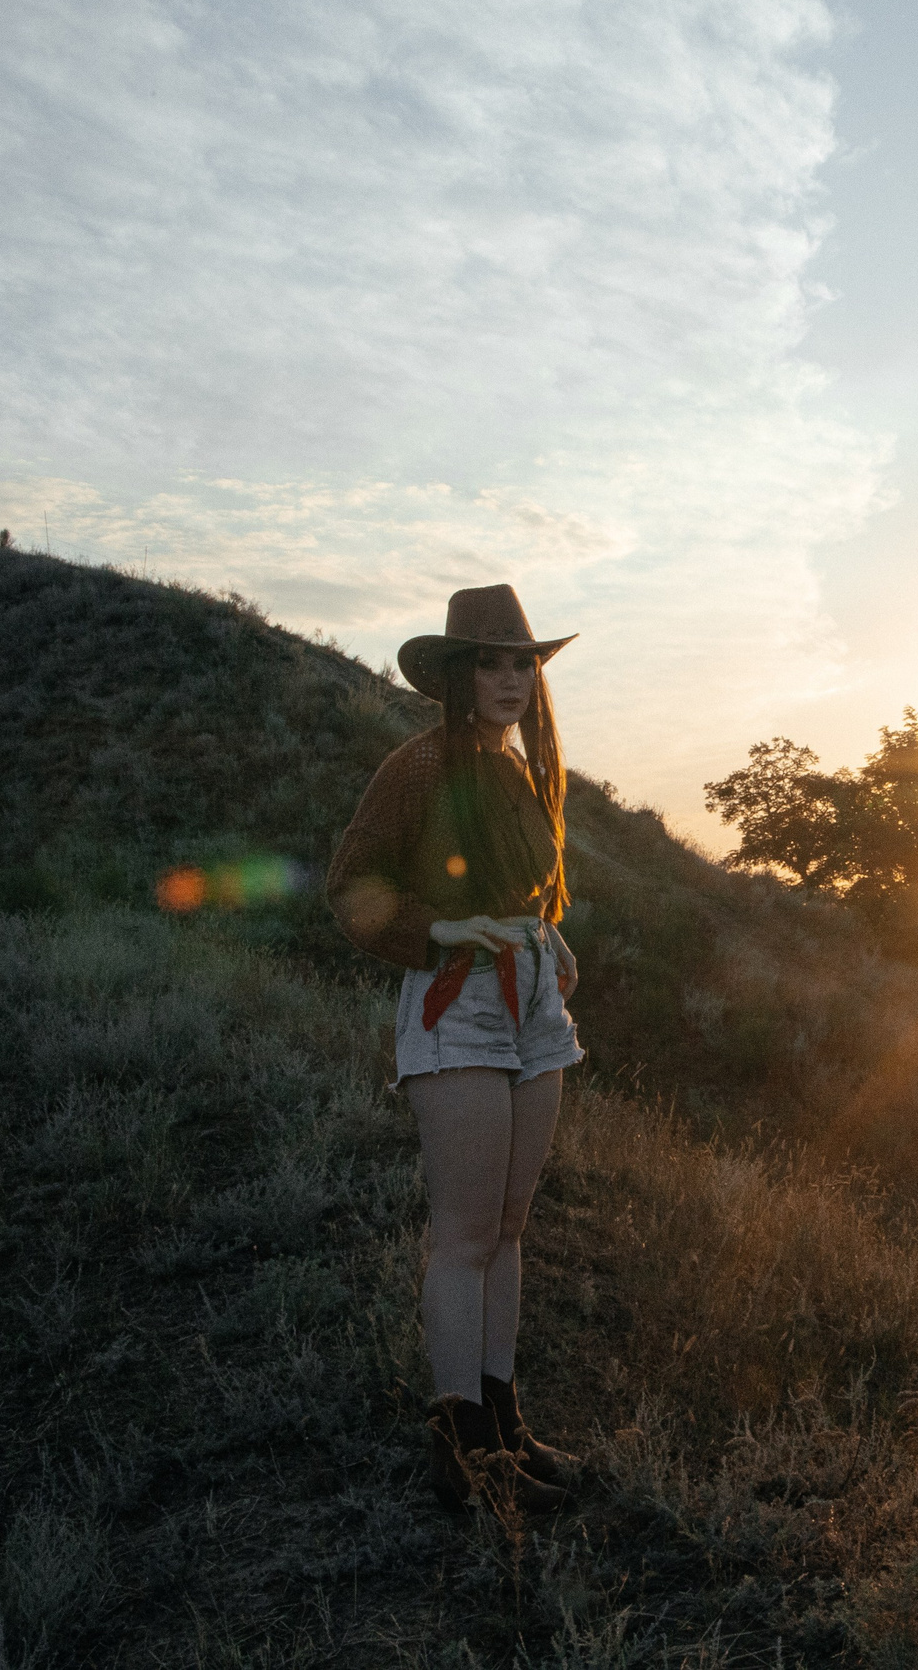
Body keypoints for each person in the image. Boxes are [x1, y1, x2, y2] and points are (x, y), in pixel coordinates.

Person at [325, 584, 586, 1513]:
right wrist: (446, 928)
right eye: (491, 660)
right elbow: (352, 887)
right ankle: (462, 1451)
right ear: (456, 673)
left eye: (523, 662)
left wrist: (546, 938)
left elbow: (526, 889)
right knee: (467, 1234)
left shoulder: (519, 771)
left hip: (531, 1006)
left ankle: (504, 1427)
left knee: (509, 1230)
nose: (512, 678)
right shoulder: (419, 766)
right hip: (457, 1001)